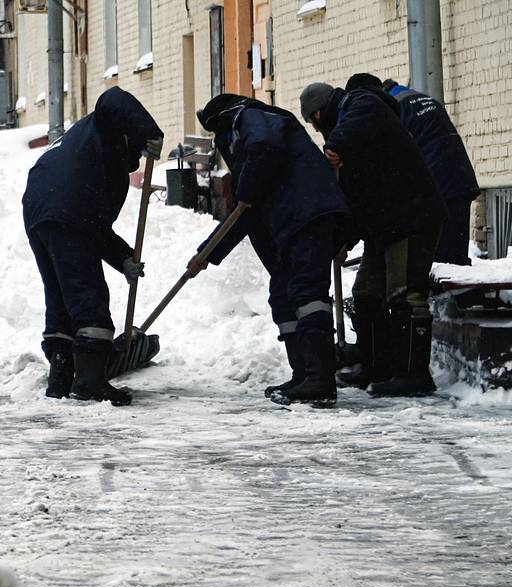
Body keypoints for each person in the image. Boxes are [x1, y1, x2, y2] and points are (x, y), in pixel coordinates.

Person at [189, 94, 351, 406]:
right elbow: (243, 214)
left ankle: (320, 380)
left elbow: (264, 149)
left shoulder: (250, 118)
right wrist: (206, 255)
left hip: (309, 214)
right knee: (283, 294)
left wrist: (247, 188)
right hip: (295, 219)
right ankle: (304, 374)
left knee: (306, 293)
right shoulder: (252, 151)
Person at [300, 79, 447, 397]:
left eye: (313, 119)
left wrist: (335, 144)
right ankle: (375, 367)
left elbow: (359, 116)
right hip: (384, 225)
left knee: (406, 295)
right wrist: (344, 240)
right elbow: (358, 200)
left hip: (411, 216)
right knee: (366, 295)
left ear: (321, 110)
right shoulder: (353, 143)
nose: (315, 127)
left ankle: (413, 374)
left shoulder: (360, 103)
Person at [21, 87, 160, 406]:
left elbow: (96, 228)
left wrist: (124, 258)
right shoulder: (105, 125)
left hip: (38, 207)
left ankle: (61, 374)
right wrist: (149, 131)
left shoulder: (87, 150)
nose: (137, 158)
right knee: (88, 296)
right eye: (136, 150)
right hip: (66, 209)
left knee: (60, 294)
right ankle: (90, 381)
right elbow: (113, 96)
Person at [344, 73, 480, 266]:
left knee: (439, 262)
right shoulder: (420, 98)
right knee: (455, 258)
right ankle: (462, 294)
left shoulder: (390, 108)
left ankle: (451, 295)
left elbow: (394, 158)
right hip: (460, 179)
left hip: (436, 188)